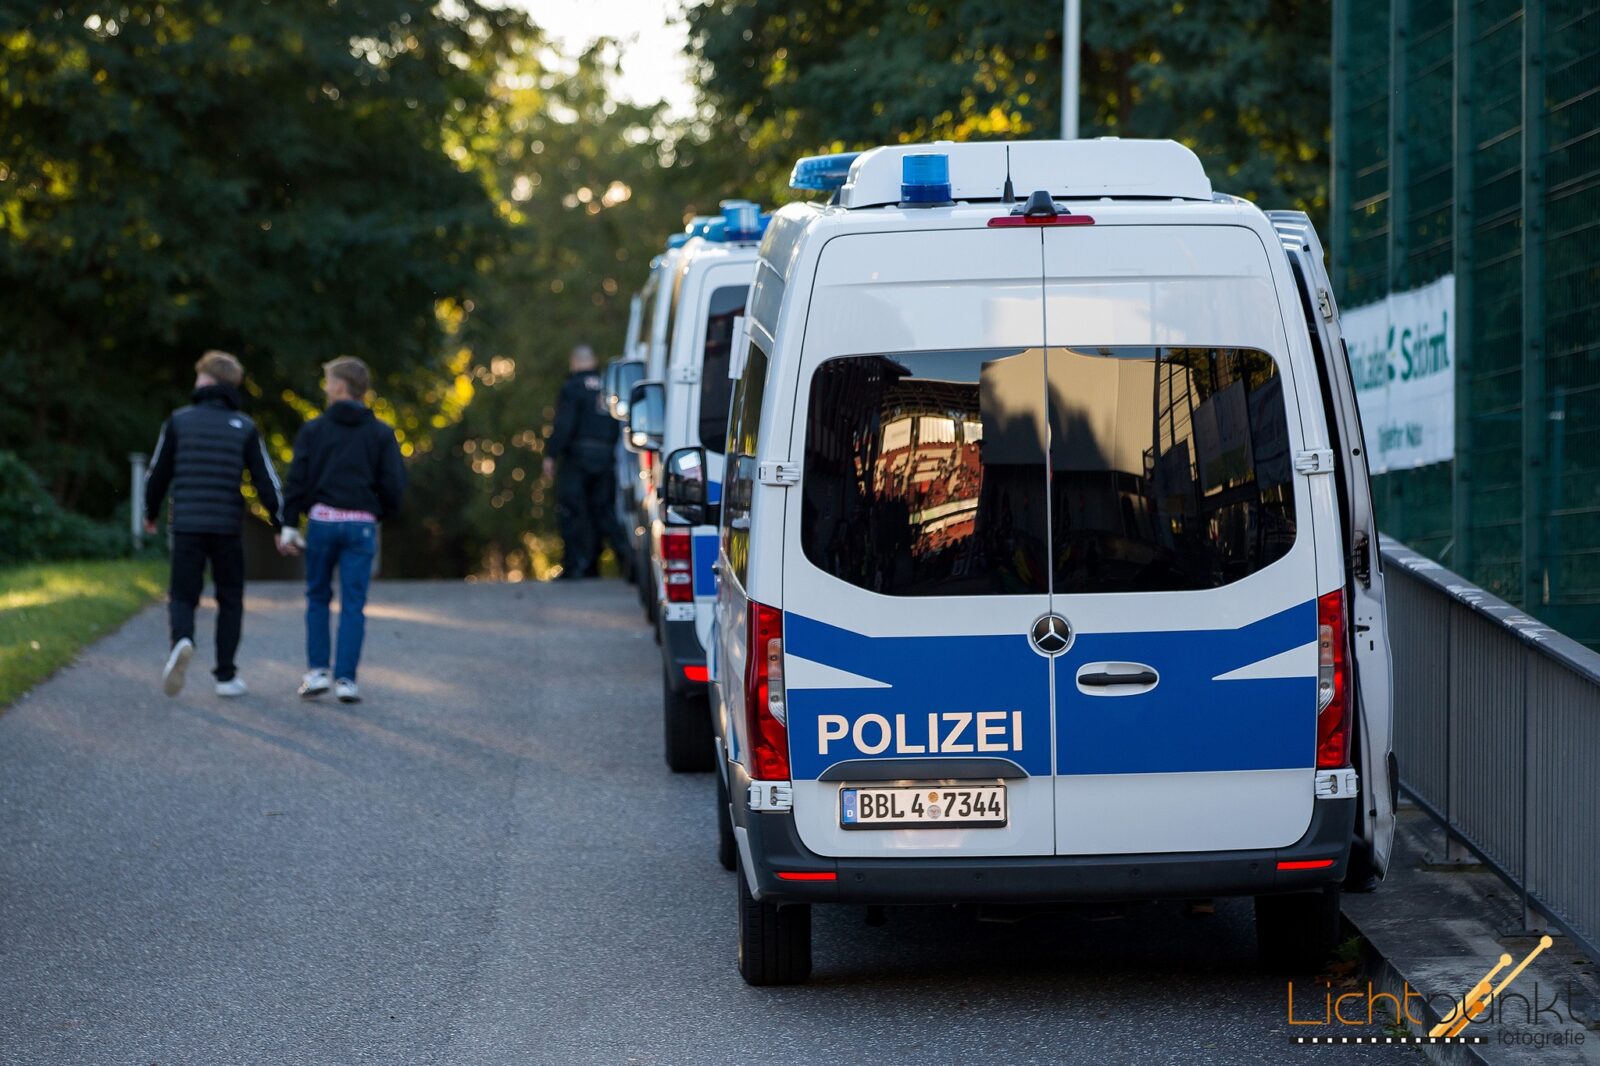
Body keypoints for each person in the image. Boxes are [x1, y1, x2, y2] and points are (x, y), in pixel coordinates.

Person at [144, 350, 285, 698]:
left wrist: (150, 513)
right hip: (226, 526)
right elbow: (266, 480)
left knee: (183, 594)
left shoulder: (179, 421)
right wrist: (282, 523)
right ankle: (225, 676)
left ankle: (183, 640)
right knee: (230, 598)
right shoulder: (245, 426)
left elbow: (157, 474)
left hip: (187, 524)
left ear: (206, 380)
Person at [279, 357, 406, 704]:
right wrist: (377, 514)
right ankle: (347, 680)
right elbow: (394, 484)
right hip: (361, 527)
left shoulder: (314, 430)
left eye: (327, 381)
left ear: (339, 386)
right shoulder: (380, 433)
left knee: (318, 596)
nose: (324, 387)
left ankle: (317, 671)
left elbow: (297, 481)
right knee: (354, 604)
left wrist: (290, 522)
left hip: (322, 523)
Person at [542, 344, 625, 578]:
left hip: (578, 458)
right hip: (606, 457)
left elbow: (564, 425)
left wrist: (550, 454)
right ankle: (625, 561)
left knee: (573, 512)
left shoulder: (573, 387)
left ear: (574, 362)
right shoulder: (607, 385)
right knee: (604, 513)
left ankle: (575, 566)